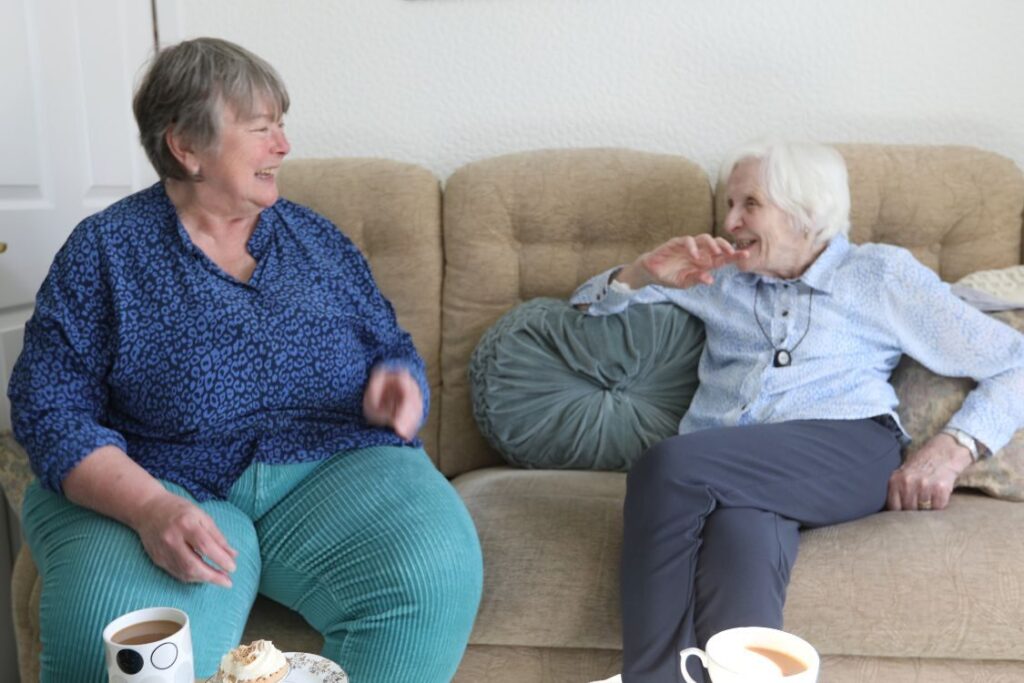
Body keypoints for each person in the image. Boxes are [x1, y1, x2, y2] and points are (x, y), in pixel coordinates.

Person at [8, 37, 482, 682]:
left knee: (431, 572)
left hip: (327, 468)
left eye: (281, 127)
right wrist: (151, 508)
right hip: (159, 476)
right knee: (133, 650)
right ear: (186, 146)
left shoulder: (316, 237)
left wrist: (398, 381)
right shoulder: (106, 252)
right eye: (262, 129)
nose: (283, 146)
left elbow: (388, 343)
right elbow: (49, 409)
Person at [571, 139, 1024, 682]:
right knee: (741, 536)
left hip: (846, 448)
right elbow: (582, 313)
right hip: (737, 473)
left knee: (667, 467)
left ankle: (652, 675)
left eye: (750, 205)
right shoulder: (715, 277)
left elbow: (1014, 360)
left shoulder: (876, 274)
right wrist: (642, 274)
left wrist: (954, 449)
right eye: (730, 205)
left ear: (806, 212)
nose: (731, 221)